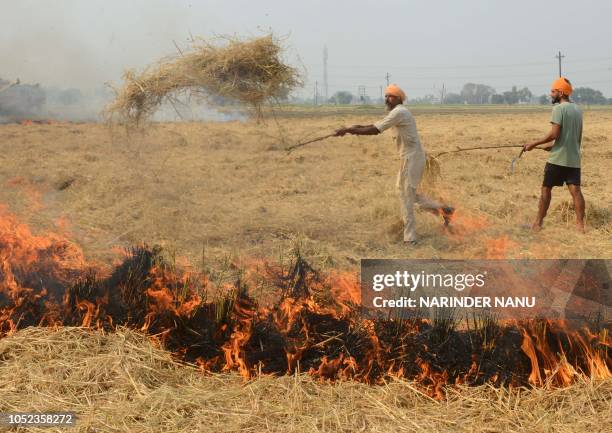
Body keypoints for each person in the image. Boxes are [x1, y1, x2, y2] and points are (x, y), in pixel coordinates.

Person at [335, 84, 453, 245]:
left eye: (390, 96)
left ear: (398, 99)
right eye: (386, 96)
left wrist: (350, 130)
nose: (386, 99)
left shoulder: (399, 112)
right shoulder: (397, 113)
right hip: (412, 158)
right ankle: (443, 209)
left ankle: (410, 238)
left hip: (411, 159)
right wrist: (351, 128)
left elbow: (375, 130)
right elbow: (374, 125)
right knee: (404, 191)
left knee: (406, 196)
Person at [523, 77, 585, 232]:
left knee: (546, 189)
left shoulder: (558, 109)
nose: (551, 94)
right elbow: (571, 137)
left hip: (557, 159)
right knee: (576, 192)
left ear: (561, 92)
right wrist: (550, 146)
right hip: (573, 158)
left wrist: (533, 144)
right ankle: (580, 226)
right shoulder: (578, 110)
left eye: (553, 91)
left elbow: (555, 134)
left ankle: (537, 224)